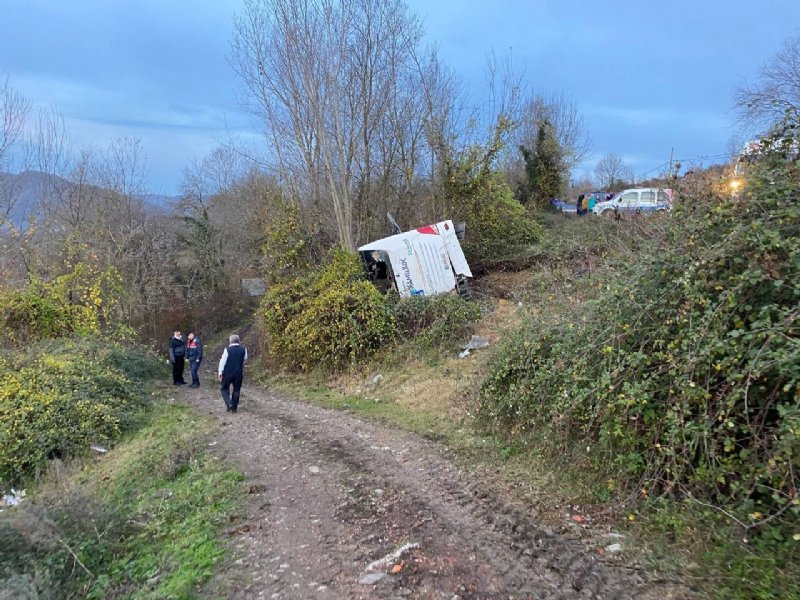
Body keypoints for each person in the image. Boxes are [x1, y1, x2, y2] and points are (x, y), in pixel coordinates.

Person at [218, 334, 248, 413]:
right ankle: (234, 408)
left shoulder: (227, 349)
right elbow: (245, 358)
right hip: (238, 373)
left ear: (230, 341)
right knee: (237, 390)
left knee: (224, 388)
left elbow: (223, 361)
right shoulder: (243, 349)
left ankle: (229, 403)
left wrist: (220, 372)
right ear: (239, 340)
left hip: (227, 373)